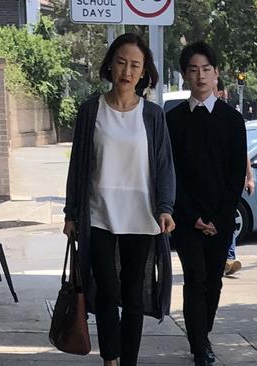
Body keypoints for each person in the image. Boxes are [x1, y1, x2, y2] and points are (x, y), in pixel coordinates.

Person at [63, 33, 176, 366]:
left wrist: (166, 208)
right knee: (107, 291)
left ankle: (129, 361)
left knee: (133, 293)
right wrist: (71, 213)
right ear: (110, 65)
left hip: (141, 217)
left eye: (135, 65)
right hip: (99, 214)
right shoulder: (90, 110)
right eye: (122, 62)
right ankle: (110, 359)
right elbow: (79, 166)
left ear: (144, 73)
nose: (127, 71)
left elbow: (164, 165)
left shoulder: (153, 115)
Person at [167, 42, 247, 366]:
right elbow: (171, 174)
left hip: (222, 217)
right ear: (185, 75)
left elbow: (235, 175)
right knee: (195, 279)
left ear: (216, 74)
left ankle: (202, 334)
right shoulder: (172, 121)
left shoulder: (232, 120)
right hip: (186, 220)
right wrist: (193, 216)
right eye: (193, 70)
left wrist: (218, 216)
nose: (200, 75)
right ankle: (200, 348)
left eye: (206, 69)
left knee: (213, 281)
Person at [213, 77, 254, 276]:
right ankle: (225, 258)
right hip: (208, 185)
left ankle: (228, 257)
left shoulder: (231, 118)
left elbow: (242, 151)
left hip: (227, 183)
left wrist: (249, 176)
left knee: (228, 218)